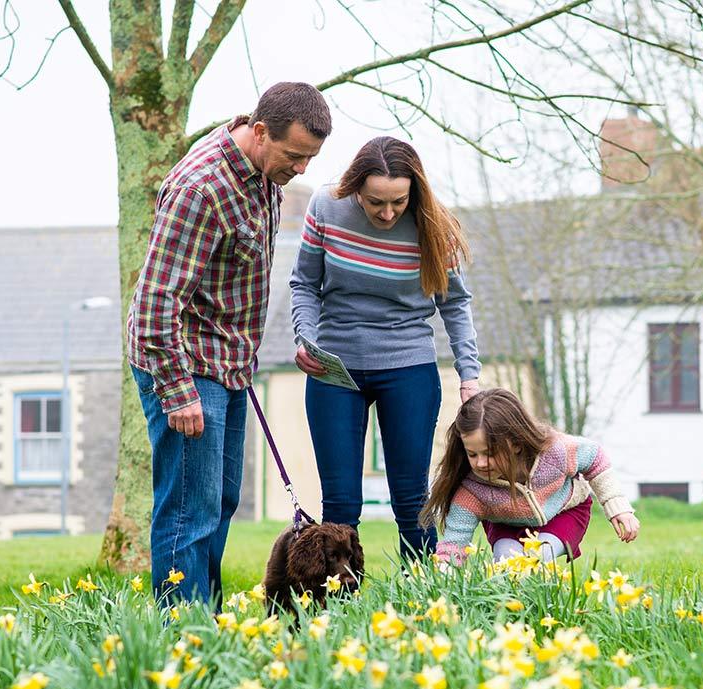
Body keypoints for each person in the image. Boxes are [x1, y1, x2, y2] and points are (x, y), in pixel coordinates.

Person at [127, 82, 332, 606]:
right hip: (184, 362)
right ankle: (180, 639)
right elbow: (155, 304)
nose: (302, 169)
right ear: (260, 132)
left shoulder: (263, 174)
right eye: (295, 155)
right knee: (187, 512)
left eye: (311, 158)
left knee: (220, 502)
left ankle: (205, 618)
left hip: (227, 364)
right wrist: (177, 391)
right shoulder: (203, 189)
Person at [290, 136, 481, 557]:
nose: (389, 212)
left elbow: (456, 304)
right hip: (335, 368)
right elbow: (304, 283)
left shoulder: (434, 224)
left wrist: (470, 375)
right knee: (340, 504)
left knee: (412, 497)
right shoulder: (326, 207)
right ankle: (337, 601)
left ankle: (425, 594)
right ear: (356, 187)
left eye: (399, 201)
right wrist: (306, 338)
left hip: (408, 365)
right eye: (377, 202)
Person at [421, 388, 640, 565]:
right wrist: (444, 573)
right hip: (506, 525)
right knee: (508, 563)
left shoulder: (555, 452)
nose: (480, 463)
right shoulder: (472, 490)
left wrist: (616, 506)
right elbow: (455, 542)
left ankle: (547, 608)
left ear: (515, 443)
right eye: (472, 454)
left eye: (490, 453)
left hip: (564, 513)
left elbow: (595, 458)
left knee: (538, 556)